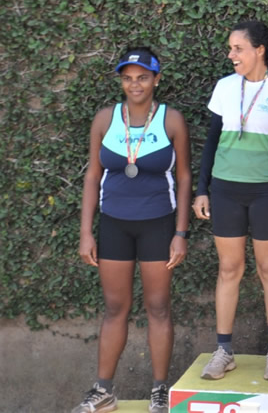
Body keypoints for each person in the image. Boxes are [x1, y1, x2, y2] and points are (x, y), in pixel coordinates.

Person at [74, 48, 191, 413]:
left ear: (156, 79)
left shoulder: (172, 120)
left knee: (158, 307)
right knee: (114, 308)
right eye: (127, 78)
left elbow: (185, 178)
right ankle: (103, 391)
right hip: (114, 224)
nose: (135, 84)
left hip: (158, 224)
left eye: (142, 77)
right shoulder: (105, 119)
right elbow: (93, 176)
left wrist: (181, 233)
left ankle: (159, 391)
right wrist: (86, 232)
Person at [193, 21, 268, 382]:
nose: (231, 55)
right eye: (230, 48)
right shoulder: (225, 87)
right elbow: (211, 141)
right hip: (225, 191)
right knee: (229, 269)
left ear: (259, 50)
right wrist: (202, 189)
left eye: (238, 48)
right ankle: (224, 351)